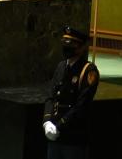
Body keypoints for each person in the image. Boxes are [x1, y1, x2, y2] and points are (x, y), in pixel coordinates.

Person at [43, 25, 100, 158]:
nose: (67, 47)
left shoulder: (88, 71)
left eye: (72, 44)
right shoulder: (61, 66)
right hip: (54, 136)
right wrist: (47, 121)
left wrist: (60, 125)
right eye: (65, 43)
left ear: (81, 47)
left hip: (74, 139)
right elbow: (51, 96)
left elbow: (81, 105)